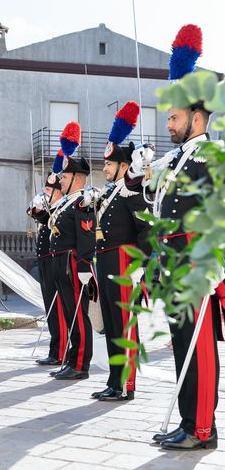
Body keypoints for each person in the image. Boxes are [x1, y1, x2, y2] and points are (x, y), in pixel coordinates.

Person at [128, 24, 221, 450]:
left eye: (174, 117)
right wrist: (137, 166)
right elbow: (138, 190)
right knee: (182, 343)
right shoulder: (177, 158)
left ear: (197, 118)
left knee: (199, 345)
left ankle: (203, 429)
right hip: (173, 261)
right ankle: (187, 422)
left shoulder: (209, 154)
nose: (168, 123)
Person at [84, 102, 151, 402]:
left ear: (123, 165)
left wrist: (141, 264)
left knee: (124, 327)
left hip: (124, 262)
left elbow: (146, 227)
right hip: (107, 261)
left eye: (109, 165)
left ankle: (126, 384)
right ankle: (113, 381)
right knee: (112, 325)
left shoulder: (131, 189)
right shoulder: (110, 192)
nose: (105, 169)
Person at [48, 122, 96, 381]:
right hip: (60, 263)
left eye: (64, 177)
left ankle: (80, 364)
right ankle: (70, 358)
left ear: (77, 178)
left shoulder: (82, 201)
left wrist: (85, 267)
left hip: (73, 264)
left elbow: (86, 235)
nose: (61, 180)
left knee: (78, 315)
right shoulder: (66, 202)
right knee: (69, 314)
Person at [28, 174, 66, 366]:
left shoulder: (62, 208)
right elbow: (34, 212)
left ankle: (60, 351)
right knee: (50, 304)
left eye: (49, 191)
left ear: (58, 192)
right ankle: (55, 348)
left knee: (57, 306)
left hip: (54, 260)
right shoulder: (50, 208)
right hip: (44, 259)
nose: (45, 193)